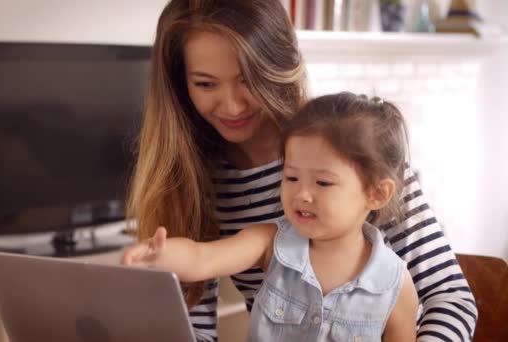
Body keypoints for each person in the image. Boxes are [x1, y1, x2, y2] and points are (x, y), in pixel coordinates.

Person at [125, 0, 477, 341]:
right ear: (180, 85)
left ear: (277, 66)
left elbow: (450, 299)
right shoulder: (193, 179)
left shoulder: (352, 153)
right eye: (205, 83)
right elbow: (194, 323)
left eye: (247, 78)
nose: (231, 105)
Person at [124, 92, 420, 341]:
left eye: (323, 183)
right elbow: (203, 258)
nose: (301, 194)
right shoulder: (269, 242)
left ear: (377, 193)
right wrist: (159, 254)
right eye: (291, 178)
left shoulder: (395, 284)